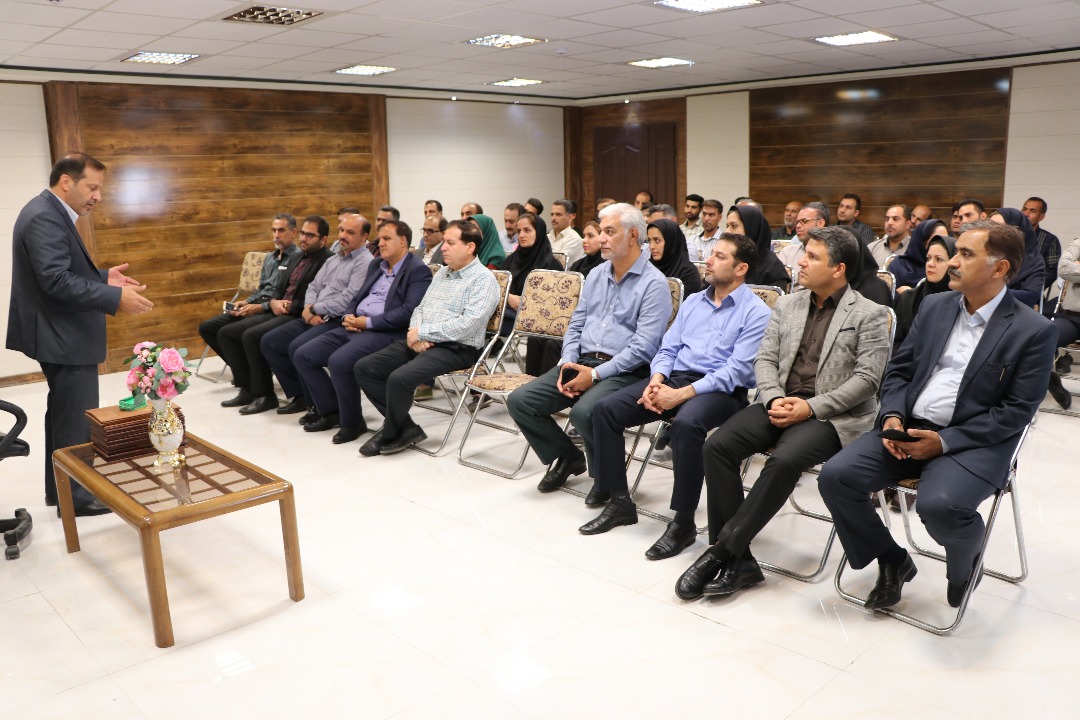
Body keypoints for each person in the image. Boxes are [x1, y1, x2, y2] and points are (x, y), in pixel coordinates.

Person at [819, 220, 1055, 610]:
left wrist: (943, 442)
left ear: (999, 268)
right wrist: (892, 416)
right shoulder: (935, 306)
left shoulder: (1033, 330)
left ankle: (966, 562)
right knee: (837, 477)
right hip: (909, 427)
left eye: (966, 254)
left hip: (974, 440)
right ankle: (892, 560)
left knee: (940, 506)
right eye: (955, 252)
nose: (952, 263)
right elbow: (900, 371)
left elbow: (1015, 413)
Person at [674, 226, 890, 600]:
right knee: (717, 447)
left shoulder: (869, 314)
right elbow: (765, 359)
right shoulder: (788, 305)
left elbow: (867, 380)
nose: (800, 261)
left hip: (831, 415)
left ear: (838, 269)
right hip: (780, 401)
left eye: (813, 257)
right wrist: (774, 398)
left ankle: (721, 552)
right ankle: (741, 562)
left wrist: (810, 407)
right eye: (803, 254)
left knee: (784, 461)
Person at [579, 233, 771, 560]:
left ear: (741, 268)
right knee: (605, 409)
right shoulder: (694, 301)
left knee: (685, 425)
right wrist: (656, 381)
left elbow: (737, 371)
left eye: (720, 256)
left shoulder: (756, 312)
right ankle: (619, 501)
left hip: (721, 391)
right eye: (711, 253)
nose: (709, 260)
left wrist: (680, 395)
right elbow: (668, 348)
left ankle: (683, 522)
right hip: (675, 379)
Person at [7, 152, 153, 516]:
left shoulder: (47, 210)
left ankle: (60, 492)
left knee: (64, 415)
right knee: (74, 420)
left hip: (59, 333)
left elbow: (58, 270)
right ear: (66, 182)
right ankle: (78, 499)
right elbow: (56, 280)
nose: (97, 197)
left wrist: (103, 277)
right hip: (63, 336)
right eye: (92, 187)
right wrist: (114, 297)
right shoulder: (44, 216)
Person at [506, 203, 672, 505]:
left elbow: (644, 347)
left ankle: (604, 478)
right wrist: (569, 361)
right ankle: (567, 457)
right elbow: (577, 322)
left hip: (625, 371)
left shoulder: (653, 284)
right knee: (521, 401)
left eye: (610, 232)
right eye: (602, 231)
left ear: (632, 236)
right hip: (582, 361)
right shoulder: (596, 274)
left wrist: (594, 375)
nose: (602, 239)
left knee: (585, 412)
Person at [354, 220, 501, 456]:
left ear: (470, 247)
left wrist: (423, 333)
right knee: (365, 367)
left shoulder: (484, 280)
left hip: (457, 348)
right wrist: (415, 334)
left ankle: (390, 431)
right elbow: (421, 308)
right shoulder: (443, 272)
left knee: (399, 378)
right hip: (423, 340)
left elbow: (468, 324)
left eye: (450, 243)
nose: (444, 247)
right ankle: (405, 428)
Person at [290, 219, 433, 443]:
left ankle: (352, 422)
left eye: (387, 239)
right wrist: (348, 315)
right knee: (304, 355)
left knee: (339, 361)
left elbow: (407, 312)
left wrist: (367, 323)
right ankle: (331, 411)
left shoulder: (417, 270)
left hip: (386, 332)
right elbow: (356, 297)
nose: (380, 243)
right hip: (355, 325)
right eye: (380, 238)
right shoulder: (376, 265)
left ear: (403, 241)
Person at [259, 213, 375, 418]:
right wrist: (309, 308)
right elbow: (314, 285)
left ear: (364, 237)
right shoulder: (336, 257)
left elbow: (347, 300)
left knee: (298, 348)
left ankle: (327, 408)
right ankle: (303, 397)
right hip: (315, 314)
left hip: (337, 319)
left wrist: (314, 309)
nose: (343, 236)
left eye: (350, 232)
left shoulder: (364, 262)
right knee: (270, 341)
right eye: (341, 230)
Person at [217, 215, 332, 412]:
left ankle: (266, 395)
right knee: (226, 333)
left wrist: (286, 306)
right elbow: (278, 287)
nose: (303, 238)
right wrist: (273, 302)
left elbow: (317, 298)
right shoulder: (296, 257)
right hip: (278, 309)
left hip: (298, 314)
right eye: (303, 233)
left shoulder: (327, 261)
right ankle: (248, 388)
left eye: (310, 235)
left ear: (324, 239)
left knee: (252, 336)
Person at [198, 213, 301, 367]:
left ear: (294, 233)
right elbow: (261, 289)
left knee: (230, 333)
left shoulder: (298, 259)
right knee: (207, 327)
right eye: (273, 230)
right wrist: (246, 302)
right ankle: (243, 369)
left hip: (274, 309)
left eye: (281, 230)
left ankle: (250, 372)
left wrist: (258, 307)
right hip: (257, 304)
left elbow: (286, 297)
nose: (276, 235)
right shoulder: (270, 258)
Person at [500, 212, 563, 347]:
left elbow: (549, 304)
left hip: (531, 318)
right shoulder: (511, 260)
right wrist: (508, 297)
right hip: (505, 311)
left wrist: (508, 298)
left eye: (527, 230)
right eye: (519, 231)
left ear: (539, 233)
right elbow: (497, 287)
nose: (521, 235)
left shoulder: (550, 265)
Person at [894, 235, 956, 347]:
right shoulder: (909, 299)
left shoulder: (962, 301)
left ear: (952, 264)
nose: (930, 264)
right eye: (928, 258)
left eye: (938, 259)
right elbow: (897, 344)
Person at [989, 208, 1045, 310]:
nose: (992, 232)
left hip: (1014, 310)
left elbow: (1031, 296)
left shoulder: (1033, 261)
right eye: (990, 226)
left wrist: (990, 293)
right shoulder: (983, 253)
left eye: (999, 228)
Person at [1047, 236, 1080, 409]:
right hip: (1072, 316)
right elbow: (1064, 268)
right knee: (1042, 338)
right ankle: (1050, 379)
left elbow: (1071, 269)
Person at [725, 204, 790, 289]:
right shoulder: (726, 258)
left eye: (734, 226)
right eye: (727, 226)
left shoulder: (772, 267)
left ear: (751, 229)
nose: (727, 231)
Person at [889, 219, 949, 292]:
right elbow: (886, 294)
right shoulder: (898, 265)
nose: (942, 244)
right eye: (936, 239)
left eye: (946, 239)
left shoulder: (947, 267)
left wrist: (910, 294)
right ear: (921, 240)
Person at [646, 218, 702, 295]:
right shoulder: (647, 267)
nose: (651, 246)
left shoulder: (688, 274)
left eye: (657, 241)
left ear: (671, 242)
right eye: (649, 241)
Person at [548, 199, 584, 264]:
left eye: (558, 214)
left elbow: (558, 265)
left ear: (570, 217)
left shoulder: (574, 239)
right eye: (552, 214)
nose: (553, 218)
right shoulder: (547, 236)